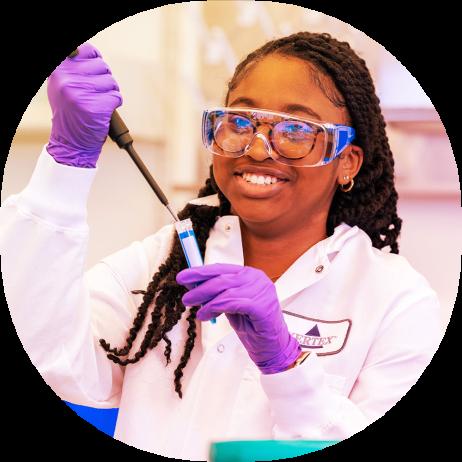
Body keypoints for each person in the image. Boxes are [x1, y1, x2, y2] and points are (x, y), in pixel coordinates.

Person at [0, 33, 442, 460]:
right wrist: (66, 164)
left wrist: (286, 364)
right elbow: (49, 360)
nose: (258, 147)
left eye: (295, 130)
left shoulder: (397, 302)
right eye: (240, 122)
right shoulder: (161, 261)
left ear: (346, 161)